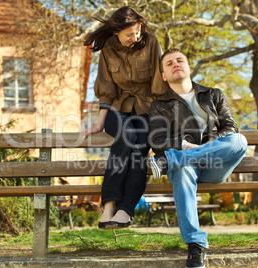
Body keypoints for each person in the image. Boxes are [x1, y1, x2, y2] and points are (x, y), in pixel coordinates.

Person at [148, 49, 247, 268]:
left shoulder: (214, 95)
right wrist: (184, 146)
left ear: (189, 67)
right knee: (183, 168)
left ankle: (170, 161)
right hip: (187, 166)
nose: (175, 64)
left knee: (240, 140)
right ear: (164, 75)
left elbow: (230, 127)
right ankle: (196, 246)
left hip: (216, 164)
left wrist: (206, 148)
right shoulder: (159, 105)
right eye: (169, 63)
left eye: (180, 60)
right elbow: (156, 139)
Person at [82, 6, 168, 229]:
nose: (135, 37)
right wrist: (99, 123)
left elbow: (159, 85)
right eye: (130, 34)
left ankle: (125, 209)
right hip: (117, 108)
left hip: (145, 109)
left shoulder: (151, 42)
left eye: (138, 31)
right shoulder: (108, 49)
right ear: (116, 32)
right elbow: (106, 88)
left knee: (139, 149)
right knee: (126, 135)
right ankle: (109, 203)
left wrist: (159, 120)